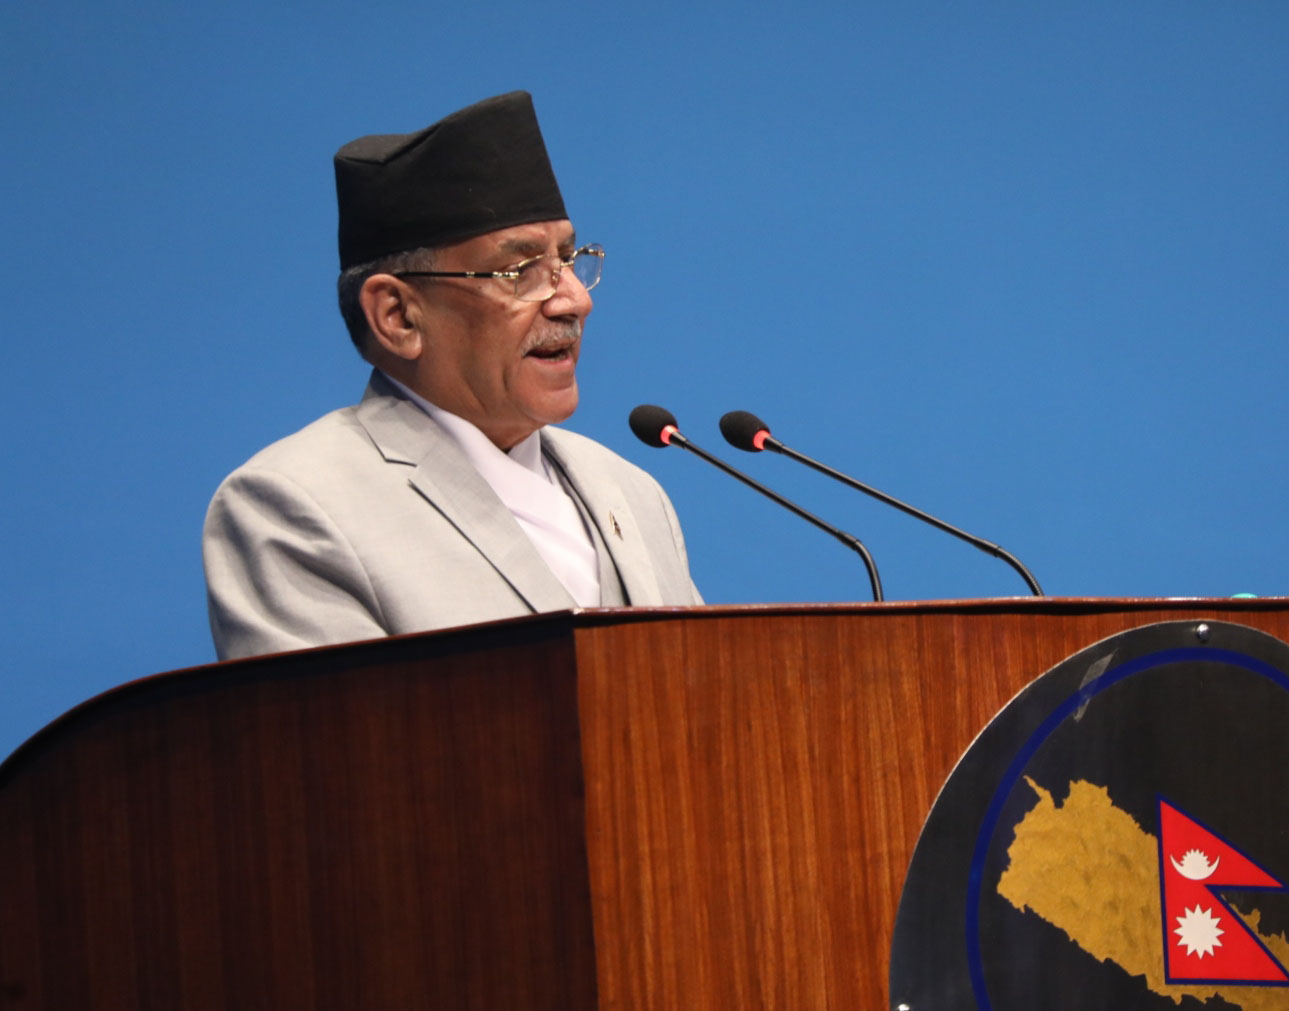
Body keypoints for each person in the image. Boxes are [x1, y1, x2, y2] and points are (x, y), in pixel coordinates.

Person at [203, 91, 702, 661]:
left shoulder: (630, 491)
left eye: (568, 259)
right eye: (520, 270)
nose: (574, 300)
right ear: (398, 316)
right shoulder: (296, 507)